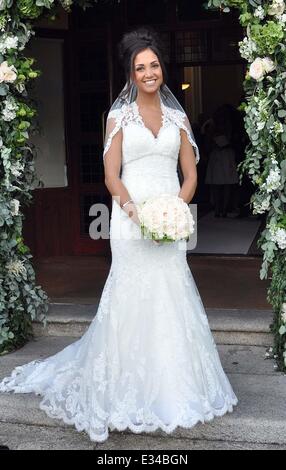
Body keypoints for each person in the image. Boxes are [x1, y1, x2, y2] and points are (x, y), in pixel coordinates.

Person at [0, 27, 238, 443]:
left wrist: (176, 209)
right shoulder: (118, 117)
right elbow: (112, 175)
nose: (149, 73)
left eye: (155, 65)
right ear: (130, 73)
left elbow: (192, 173)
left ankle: (173, 386)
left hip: (168, 219)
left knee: (170, 294)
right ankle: (121, 386)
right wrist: (134, 212)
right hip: (129, 221)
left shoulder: (179, 118)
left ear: (163, 68)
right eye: (139, 67)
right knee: (131, 297)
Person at [205, 106, 239, 217]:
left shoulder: (231, 126)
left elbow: (234, 140)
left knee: (226, 183)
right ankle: (218, 209)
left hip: (226, 155)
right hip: (217, 155)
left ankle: (223, 209)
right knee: (216, 183)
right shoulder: (212, 126)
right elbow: (208, 141)